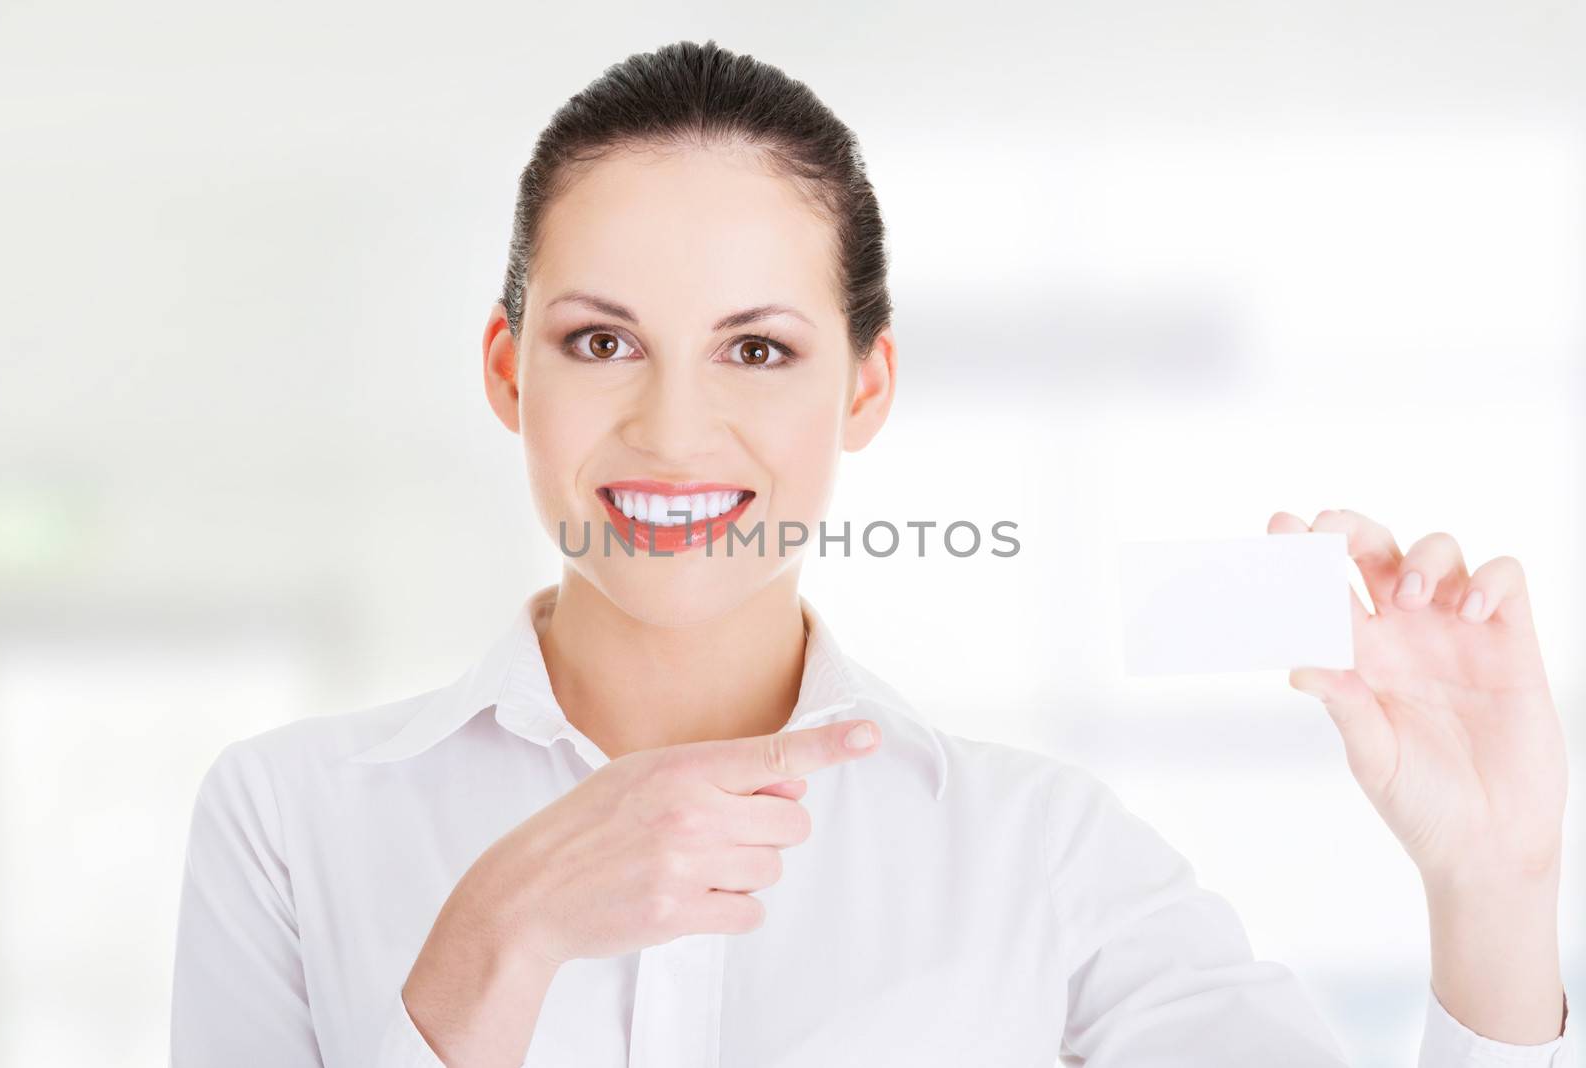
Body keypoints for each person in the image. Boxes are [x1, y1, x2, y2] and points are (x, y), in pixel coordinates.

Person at [169, 39, 1573, 1067]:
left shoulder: (1039, 859)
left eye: (759, 349)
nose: (673, 428)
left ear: (865, 388)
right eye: (601, 342)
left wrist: (1493, 883)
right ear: (505, 369)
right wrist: (489, 948)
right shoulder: (291, 823)